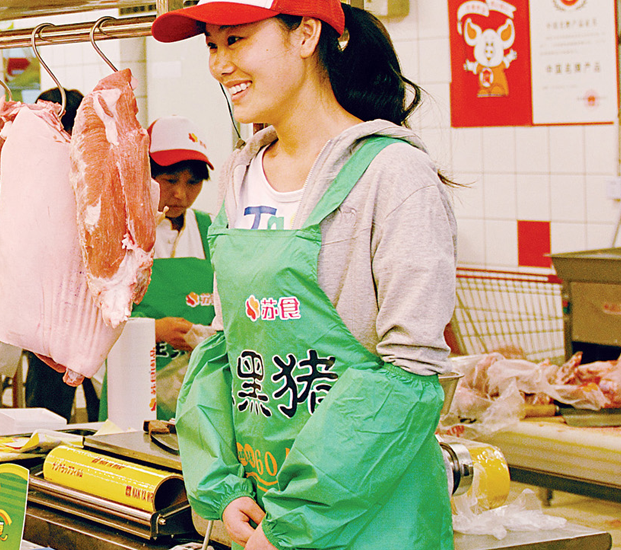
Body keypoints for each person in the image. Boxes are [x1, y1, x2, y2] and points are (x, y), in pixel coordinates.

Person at [153, 1, 456, 549]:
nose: (220, 64)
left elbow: (408, 375)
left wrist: (298, 521)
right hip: (263, 508)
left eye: (237, 40)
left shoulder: (393, 173)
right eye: (212, 45)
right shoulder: (243, 173)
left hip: (369, 523)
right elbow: (222, 345)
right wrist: (222, 487)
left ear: (306, 34)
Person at [24, 87, 98, 422]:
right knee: (49, 409)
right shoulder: (34, 171)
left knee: (101, 405)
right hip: (53, 310)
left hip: (82, 307)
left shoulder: (90, 168)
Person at [135, 116, 218, 421]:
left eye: (193, 183)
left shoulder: (211, 229)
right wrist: (154, 330)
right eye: (170, 181)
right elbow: (96, 316)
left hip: (200, 391)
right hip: (134, 382)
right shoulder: (126, 232)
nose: (181, 194)